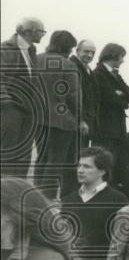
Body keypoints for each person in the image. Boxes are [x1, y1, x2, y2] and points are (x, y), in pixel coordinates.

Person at [35, 30, 81, 199]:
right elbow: (73, 96)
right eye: (71, 48)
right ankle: (48, 197)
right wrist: (79, 118)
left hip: (38, 119)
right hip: (63, 121)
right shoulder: (68, 65)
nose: (71, 52)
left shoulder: (36, 59)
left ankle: (37, 195)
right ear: (66, 47)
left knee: (42, 157)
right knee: (56, 160)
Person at [0, 17, 45, 178]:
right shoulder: (6, 49)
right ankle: (4, 193)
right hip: (10, 110)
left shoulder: (31, 51)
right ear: (29, 31)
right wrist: (6, 104)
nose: (43, 35)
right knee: (7, 153)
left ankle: (17, 190)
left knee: (24, 155)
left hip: (28, 111)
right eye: (41, 31)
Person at [90, 43, 129, 190]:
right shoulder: (98, 74)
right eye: (122, 57)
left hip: (117, 129)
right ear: (113, 55)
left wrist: (121, 96)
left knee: (118, 164)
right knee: (105, 164)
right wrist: (122, 98)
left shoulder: (114, 74)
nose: (123, 61)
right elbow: (111, 98)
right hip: (106, 129)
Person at [70, 38, 98, 149]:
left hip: (86, 122)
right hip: (76, 122)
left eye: (93, 53)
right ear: (77, 50)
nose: (90, 55)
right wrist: (80, 120)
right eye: (86, 51)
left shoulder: (88, 69)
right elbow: (74, 96)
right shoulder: (72, 65)